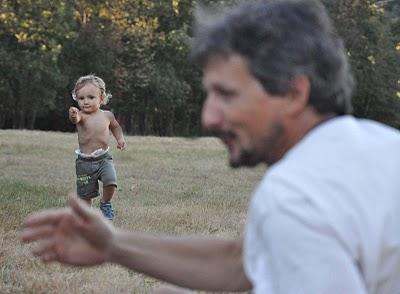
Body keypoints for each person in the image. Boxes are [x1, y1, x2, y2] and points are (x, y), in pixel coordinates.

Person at [21, 0, 400, 293]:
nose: (209, 118)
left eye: (226, 94)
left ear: (294, 92)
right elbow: (244, 262)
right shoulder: (381, 146)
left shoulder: (295, 197)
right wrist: (114, 245)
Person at [68, 74, 127, 220]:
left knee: (111, 181)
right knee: (85, 195)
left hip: (103, 158)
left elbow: (116, 127)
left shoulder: (107, 116)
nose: (85, 102)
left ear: (101, 98)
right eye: (81, 98)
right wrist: (73, 114)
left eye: (90, 97)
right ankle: (86, 217)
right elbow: (75, 119)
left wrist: (120, 139)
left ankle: (105, 203)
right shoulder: (81, 115)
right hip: (84, 162)